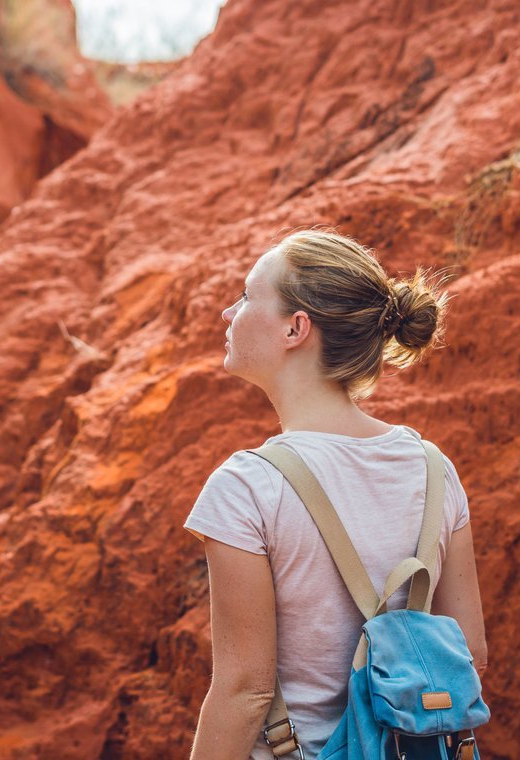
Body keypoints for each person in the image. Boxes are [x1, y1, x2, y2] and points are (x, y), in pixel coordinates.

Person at [184, 229, 488, 760]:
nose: (228, 314)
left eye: (248, 297)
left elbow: (244, 691)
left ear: (295, 329)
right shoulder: (434, 471)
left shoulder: (248, 487)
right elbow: (470, 654)